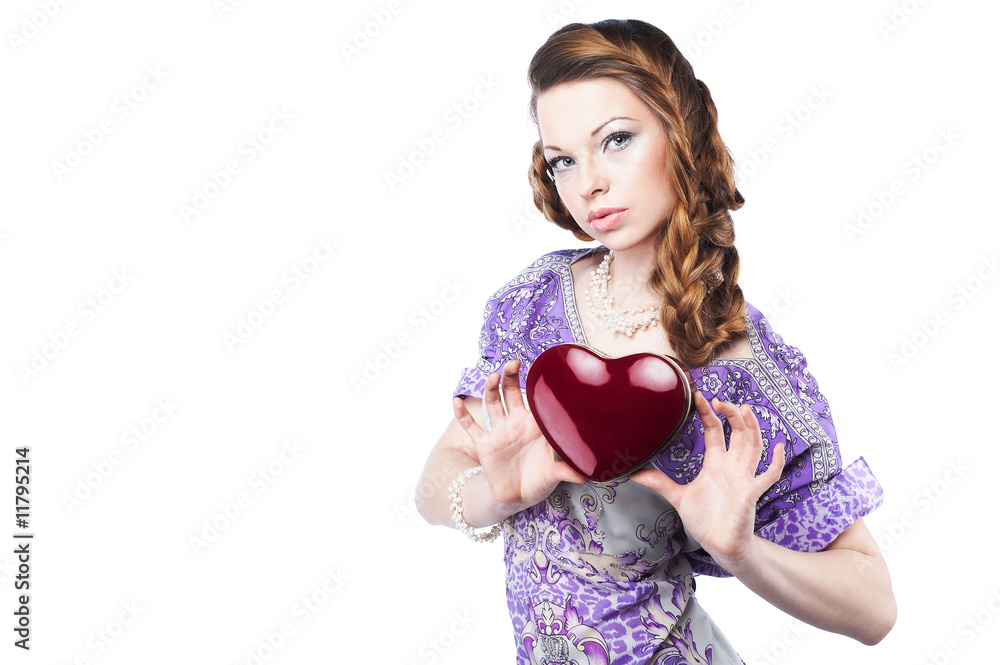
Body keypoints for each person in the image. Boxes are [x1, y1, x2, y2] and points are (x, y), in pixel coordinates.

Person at [416, 19, 895, 664]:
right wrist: (500, 492)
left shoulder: (740, 373)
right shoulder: (534, 305)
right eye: (563, 159)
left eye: (616, 140)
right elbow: (433, 484)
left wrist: (740, 549)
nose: (587, 183)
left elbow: (874, 606)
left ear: (680, 134)